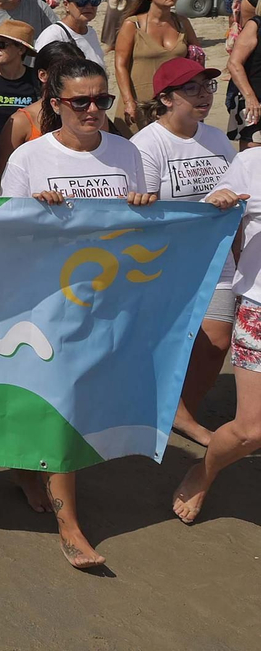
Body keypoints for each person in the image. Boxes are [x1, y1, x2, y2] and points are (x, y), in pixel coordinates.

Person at [1, 58, 155, 569]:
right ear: (55, 104)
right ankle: (70, 526)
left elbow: (151, 226)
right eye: (80, 102)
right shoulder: (28, 159)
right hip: (46, 303)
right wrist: (35, 213)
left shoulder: (128, 153)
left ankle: (27, 469)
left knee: (80, 399)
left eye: (102, 100)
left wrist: (146, 205)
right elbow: (4, 236)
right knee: (63, 401)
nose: (93, 110)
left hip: (109, 301)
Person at [129, 57, 237, 446]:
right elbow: (146, 210)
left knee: (217, 342)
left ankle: (179, 412)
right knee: (170, 341)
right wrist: (210, 204)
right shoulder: (146, 145)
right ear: (166, 99)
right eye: (190, 89)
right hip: (166, 261)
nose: (203, 96)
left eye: (207, 87)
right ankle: (160, 409)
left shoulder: (217, 138)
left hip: (216, 257)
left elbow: (237, 193)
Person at [174, 128, 261, 525]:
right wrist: (218, 200)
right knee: (250, 432)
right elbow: (211, 209)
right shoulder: (251, 163)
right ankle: (204, 472)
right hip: (259, 308)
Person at [114, 0, 199, 137]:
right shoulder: (133, 25)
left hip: (174, 102)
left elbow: (197, 58)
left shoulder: (182, 23)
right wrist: (128, 101)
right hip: (141, 101)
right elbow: (120, 65)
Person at [0, 40, 84, 190]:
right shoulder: (20, 122)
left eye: (80, 71)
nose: (73, 79)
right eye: (64, 73)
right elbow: (3, 180)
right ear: (43, 75)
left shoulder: (92, 116)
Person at [35, 0, 106, 66]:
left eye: (94, 2)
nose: (89, 6)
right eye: (82, 2)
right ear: (66, 5)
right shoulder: (53, 36)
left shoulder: (91, 33)